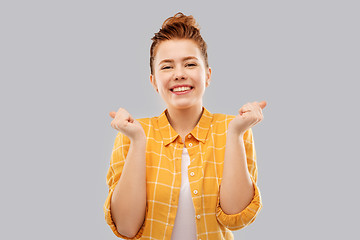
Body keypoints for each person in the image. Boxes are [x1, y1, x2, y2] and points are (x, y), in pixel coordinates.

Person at [104, 12, 267, 240]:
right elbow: (126, 227)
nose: (179, 74)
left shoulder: (234, 129)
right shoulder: (131, 134)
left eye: (190, 64)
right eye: (167, 67)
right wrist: (138, 142)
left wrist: (236, 134)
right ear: (153, 81)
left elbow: (236, 215)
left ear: (207, 75)